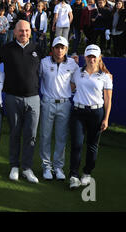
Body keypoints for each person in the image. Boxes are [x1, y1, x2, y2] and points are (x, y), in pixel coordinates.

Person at [0, 20, 44, 183]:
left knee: (31, 135)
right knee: (15, 133)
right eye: (21, 31)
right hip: (12, 98)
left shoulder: (38, 48)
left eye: (26, 30)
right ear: (15, 32)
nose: (24, 33)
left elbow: (54, 63)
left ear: (30, 32)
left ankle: (27, 168)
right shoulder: (6, 48)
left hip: (33, 98)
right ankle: (14, 166)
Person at [69, 44, 113, 189]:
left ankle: (87, 173)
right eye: (89, 56)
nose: (91, 59)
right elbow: (71, 87)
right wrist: (71, 64)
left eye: (94, 56)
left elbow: (107, 99)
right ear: (85, 57)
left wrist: (106, 118)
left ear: (99, 58)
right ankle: (73, 175)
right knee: (76, 144)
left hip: (96, 113)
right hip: (78, 111)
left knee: (92, 146)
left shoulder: (105, 76)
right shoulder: (77, 72)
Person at [39, 37, 79, 181]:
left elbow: (78, 80)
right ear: (53, 48)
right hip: (48, 102)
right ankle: (46, 167)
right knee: (45, 135)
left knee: (61, 137)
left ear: (66, 49)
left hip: (65, 103)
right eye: (57, 47)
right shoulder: (44, 62)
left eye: (62, 47)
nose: (59, 50)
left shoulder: (73, 64)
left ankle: (58, 167)